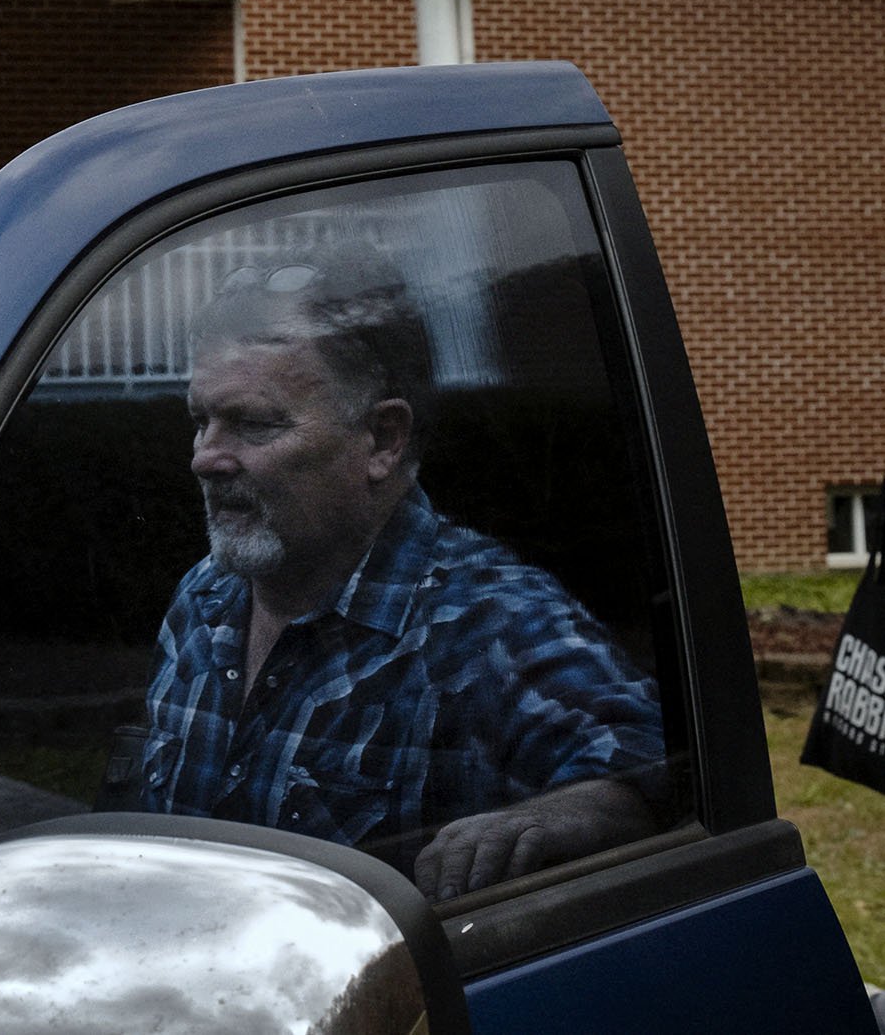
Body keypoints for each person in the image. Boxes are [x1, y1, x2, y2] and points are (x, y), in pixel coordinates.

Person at [116, 243, 665, 902]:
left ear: (383, 439)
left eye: (251, 424)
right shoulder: (202, 598)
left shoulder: (487, 623)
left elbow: (652, 774)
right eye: (200, 420)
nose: (206, 458)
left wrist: (553, 819)